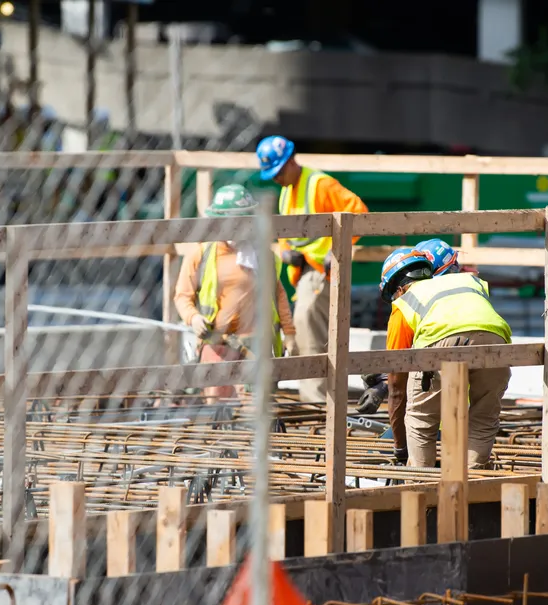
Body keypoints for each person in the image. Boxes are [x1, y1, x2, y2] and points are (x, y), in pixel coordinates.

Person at [256, 135, 368, 403]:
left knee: (306, 321)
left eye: (279, 171)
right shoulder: (285, 192)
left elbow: (358, 211)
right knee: (308, 328)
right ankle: (321, 399)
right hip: (304, 273)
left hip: (324, 271)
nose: (276, 178)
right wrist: (285, 252)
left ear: (292, 161)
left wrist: (338, 248)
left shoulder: (320, 184)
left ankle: (316, 401)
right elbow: (284, 234)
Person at [380, 246, 512, 469]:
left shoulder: (404, 302)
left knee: (421, 421)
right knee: (484, 418)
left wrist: (400, 448)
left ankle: (421, 488)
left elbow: (396, 384)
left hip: (441, 343)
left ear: (399, 289)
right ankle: (474, 483)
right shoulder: (466, 281)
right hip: (497, 342)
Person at [175, 185, 298, 401]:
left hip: (254, 346)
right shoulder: (202, 254)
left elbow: (278, 296)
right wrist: (193, 318)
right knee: (218, 408)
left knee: (252, 408)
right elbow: (183, 296)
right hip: (216, 344)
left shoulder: (261, 256)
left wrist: (289, 333)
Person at [358, 238, 463, 414]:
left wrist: (386, 383)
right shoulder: (469, 291)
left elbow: (400, 368)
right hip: (470, 406)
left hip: (445, 408)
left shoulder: (410, 305)